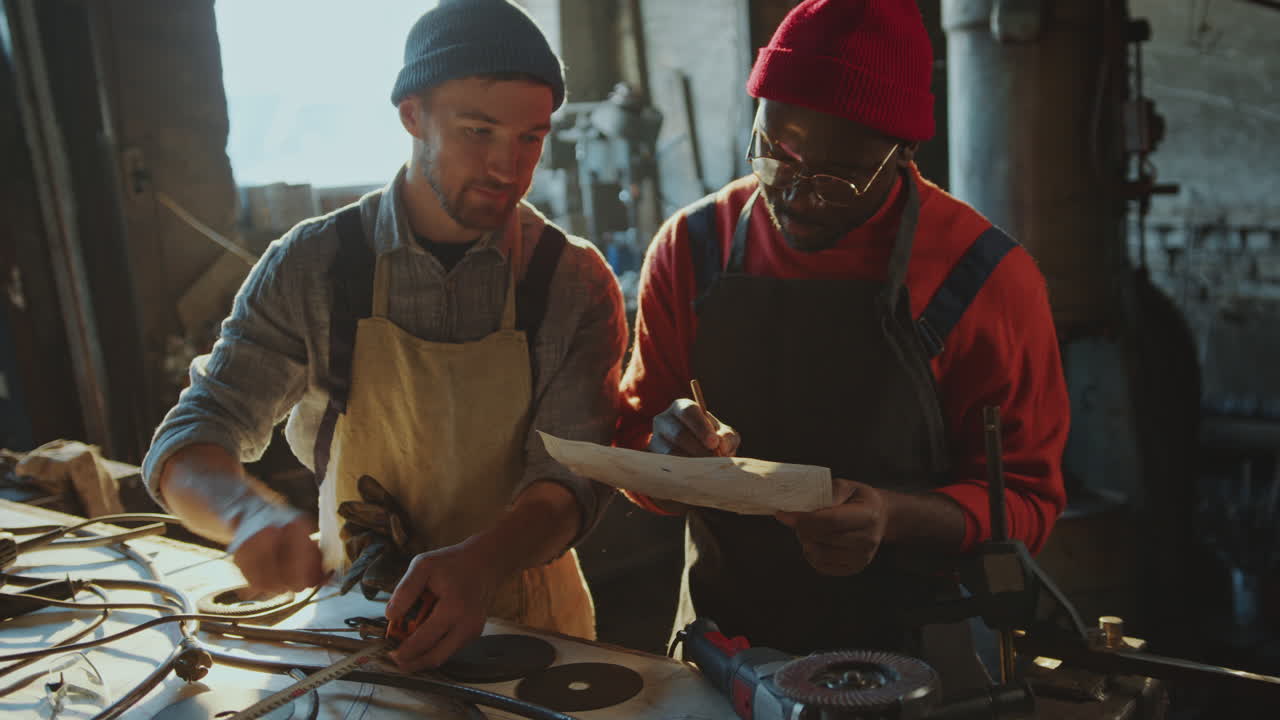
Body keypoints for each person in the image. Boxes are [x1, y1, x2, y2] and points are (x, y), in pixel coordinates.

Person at [143, 0, 626, 673]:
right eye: (477, 130)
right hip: (357, 620)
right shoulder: (314, 266)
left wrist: (483, 561)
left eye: (530, 138)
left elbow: (569, 480)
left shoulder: (574, 283)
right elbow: (192, 435)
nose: (506, 168)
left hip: (528, 625)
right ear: (411, 115)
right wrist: (243, 514)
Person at [616, 0, 1069, 682]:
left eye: (836, 177)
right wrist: (667, 458)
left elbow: (1028, 501)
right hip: (724, 655)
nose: (797, 194)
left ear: (903, 154)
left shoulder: (984, 280)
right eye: (776, 153)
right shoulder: (691, 250)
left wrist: (893, 516)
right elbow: (630, 445)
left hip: (921, 662)